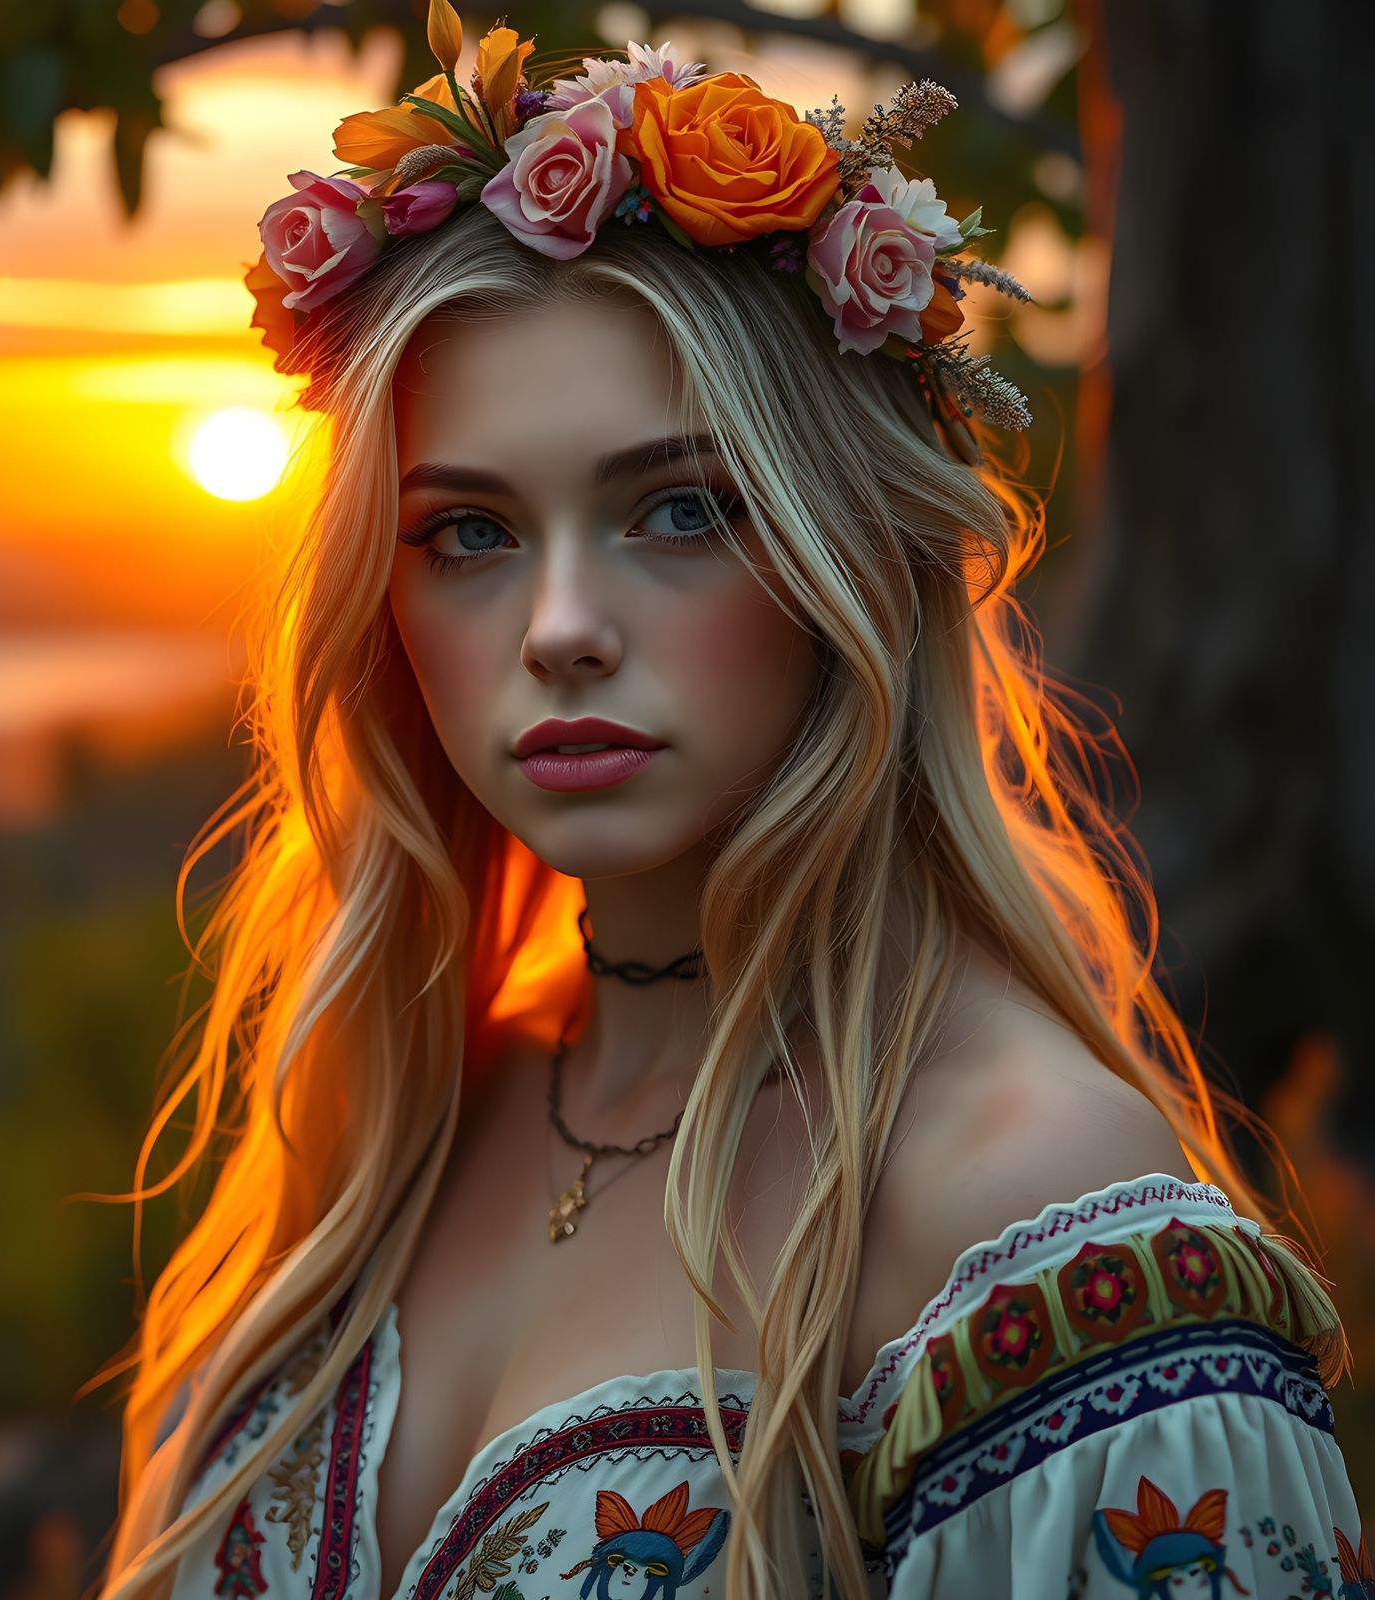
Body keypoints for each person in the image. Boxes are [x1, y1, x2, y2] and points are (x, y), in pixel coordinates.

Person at [92, 15, 1364, 1600]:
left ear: (856, 559)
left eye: (679, 509)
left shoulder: (1023, 1201)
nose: (560, 625)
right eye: (469, 533)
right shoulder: (391, 1117)